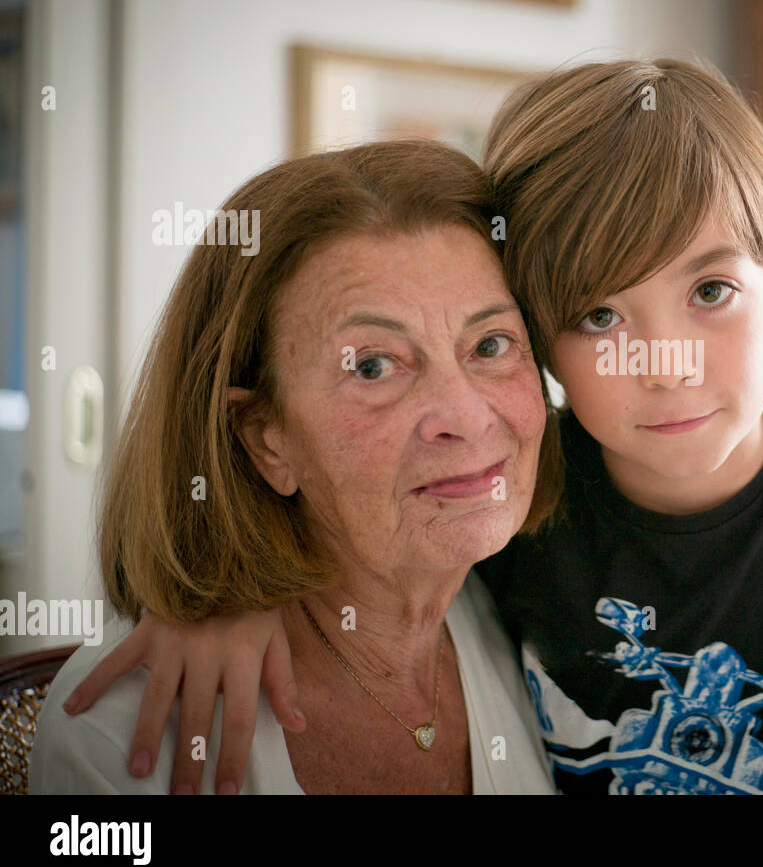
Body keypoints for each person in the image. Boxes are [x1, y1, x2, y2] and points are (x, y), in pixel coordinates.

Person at [65, 59, 763, 795]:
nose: (663, 360)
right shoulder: (517, 503)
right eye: (598, 315)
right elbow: (331, 560)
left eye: (711, 290)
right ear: (550, 346)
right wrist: (216, 599)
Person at [32, 140, 558, 793]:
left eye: (490, 344)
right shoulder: (120, 730)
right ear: (266, 440)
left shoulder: (532, 618)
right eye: (373, 365)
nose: (468, 415)